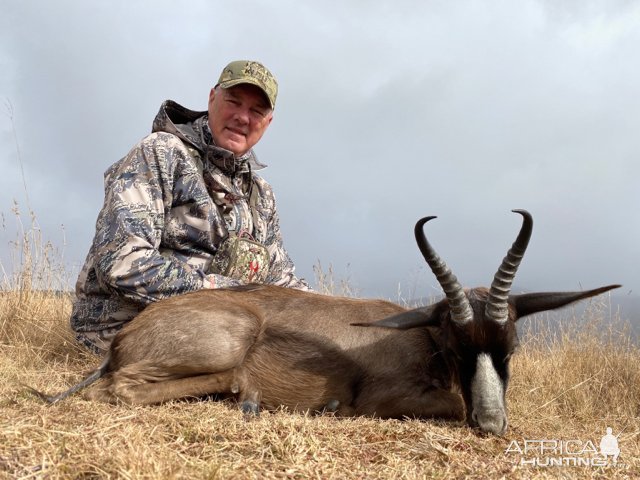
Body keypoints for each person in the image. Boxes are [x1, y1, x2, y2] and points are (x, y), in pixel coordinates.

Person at [71, 60, 310, 354]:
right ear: (212, 98)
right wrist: (228, 296)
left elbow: (280, 276)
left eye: (256, 111)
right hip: (125, 328)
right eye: (233, 102)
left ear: (268, 122)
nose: (242, 117)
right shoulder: (161, 152)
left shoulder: (260, 193)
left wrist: (330, 316)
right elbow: (121, 262)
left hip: (218, 329)